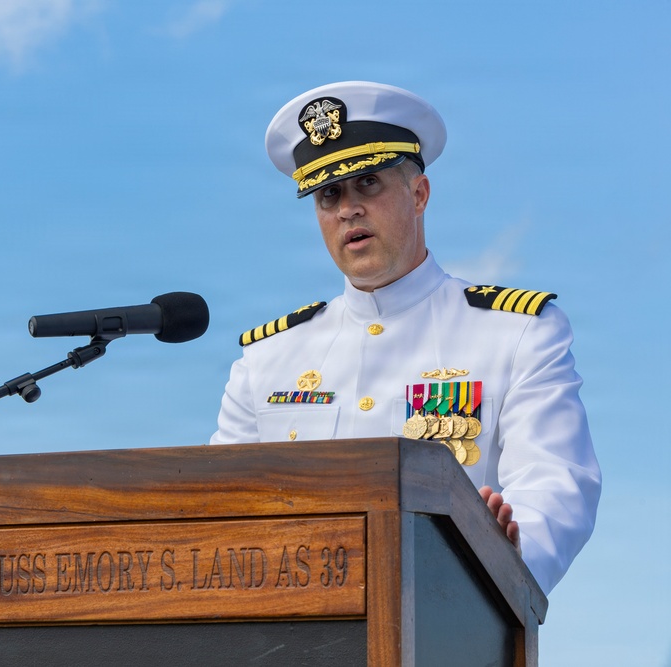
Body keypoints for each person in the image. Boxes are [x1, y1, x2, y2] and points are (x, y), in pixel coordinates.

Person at [209, 81, 601, 595]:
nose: (347, 208)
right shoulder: (267, 358)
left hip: (448, 616)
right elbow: (219, 508)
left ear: (419, 195)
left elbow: (557, 483)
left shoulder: (518, 331)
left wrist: (510, 550)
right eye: (329, 195)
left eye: (367, 184)